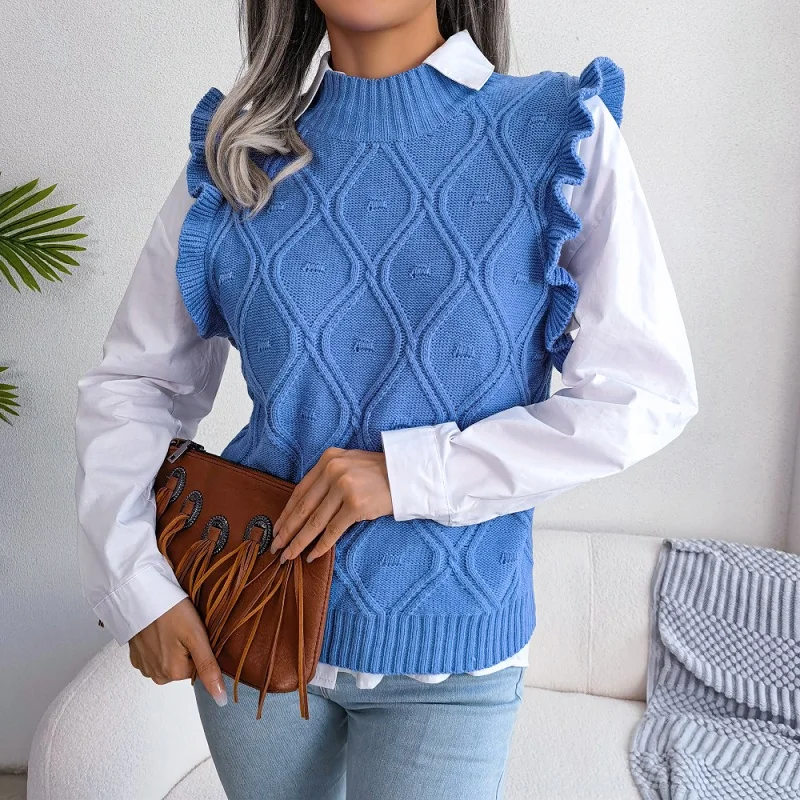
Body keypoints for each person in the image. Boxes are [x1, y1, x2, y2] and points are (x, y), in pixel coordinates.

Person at [74, 2, 699, 798]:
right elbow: (137, 384)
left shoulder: (555, 130)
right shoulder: (239, 153)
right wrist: (135, 585)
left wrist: (411, 473)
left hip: (452, 649)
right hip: (250, 620)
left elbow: (643, 391)